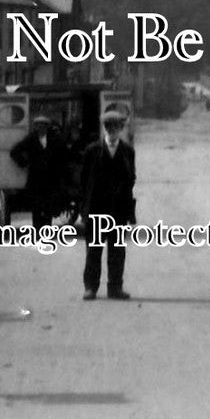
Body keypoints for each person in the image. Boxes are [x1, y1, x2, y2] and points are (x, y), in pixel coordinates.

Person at [78, 110, 137, 301]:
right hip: (96, 209)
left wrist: (129, 212)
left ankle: (115, 288)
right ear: (104, 128)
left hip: (118, 211)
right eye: (108, 126)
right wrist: (82, 211)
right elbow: (84, 183)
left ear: (121, 128)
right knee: (93, 251)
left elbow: (130, 181)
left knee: (117, 252)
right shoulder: (92, 151)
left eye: (116, 127)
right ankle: (90, 288)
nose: (112, 131)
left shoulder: (128, 152)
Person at [9, 115, 66, 229]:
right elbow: (14, 151)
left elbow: (63, 154)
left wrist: (57, 167)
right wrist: (24, 163)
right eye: (39, 127)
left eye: (44, 126)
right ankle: (37, 232)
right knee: (36, 207)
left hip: (50, 179)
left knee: (48, 207)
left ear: (47, 127)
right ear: (35, 127)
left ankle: (46, 231)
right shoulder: (31, 139)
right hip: (35, 179)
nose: (41, 129)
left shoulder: (54, 139)